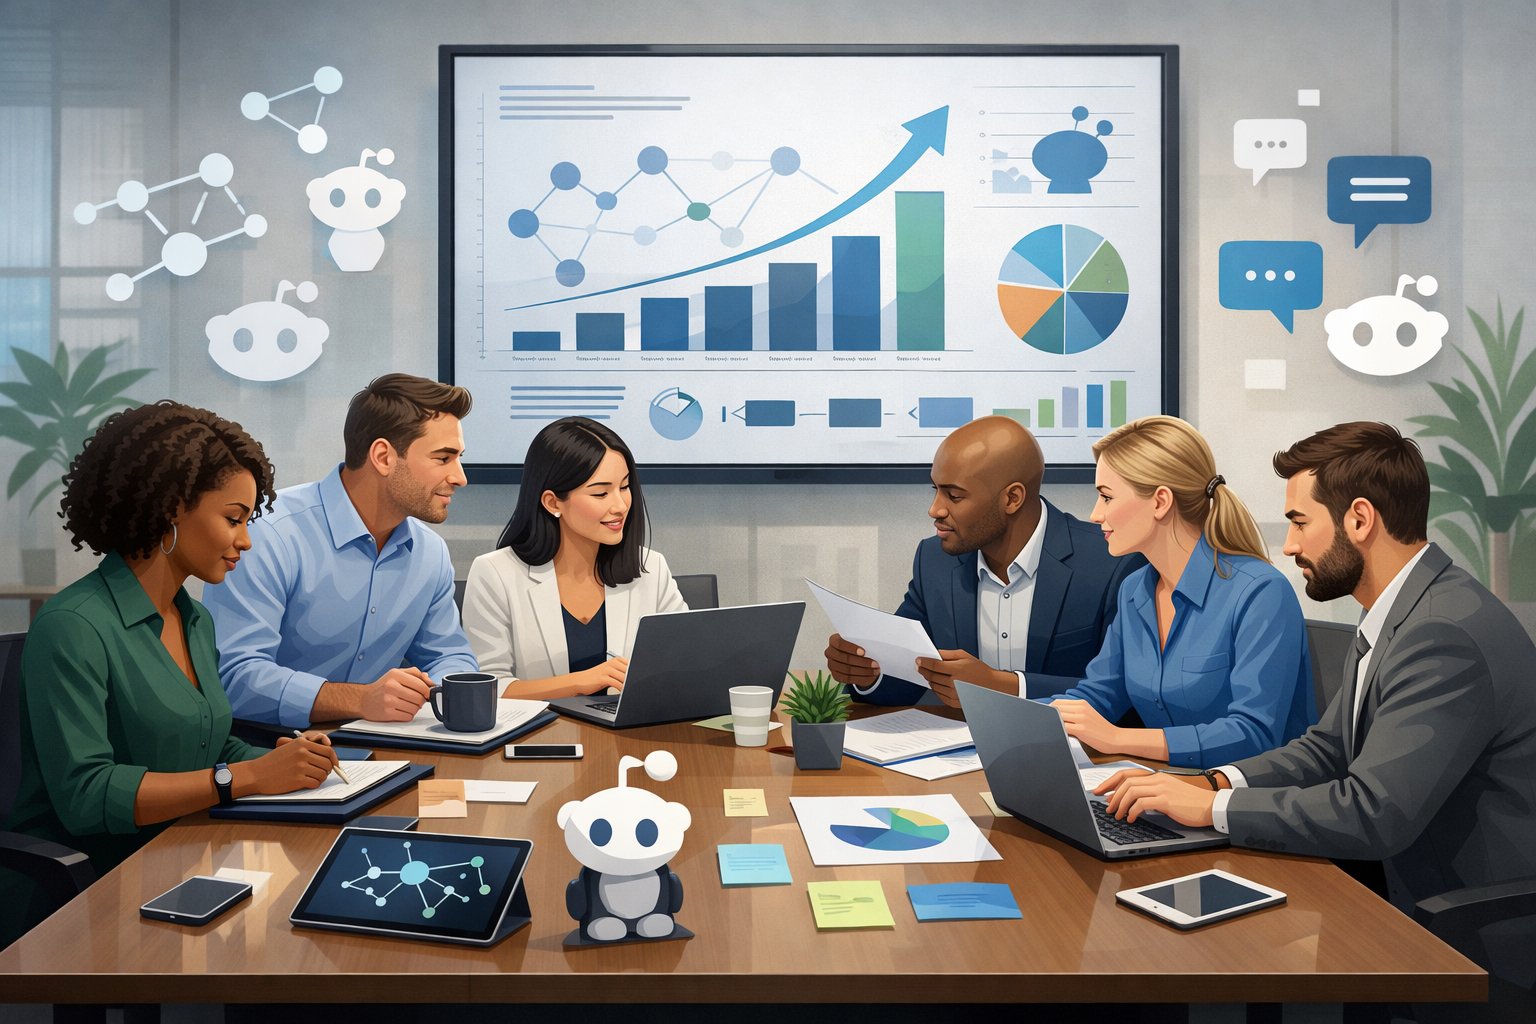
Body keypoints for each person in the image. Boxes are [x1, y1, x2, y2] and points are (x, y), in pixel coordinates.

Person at [1098, 421, 1536, 921]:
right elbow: (1328, 749)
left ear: (1360, 520)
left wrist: (1212, 810)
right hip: (1397, 887)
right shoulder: (1403, 609)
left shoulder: (1441, 634)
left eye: (1300, 522)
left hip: (1466, 926)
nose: (1288, 546)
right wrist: (1214, 784)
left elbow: (1374, 812)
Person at [2, 402, 340, 948]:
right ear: (170, 509)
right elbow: (87, 794)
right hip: (87, 891)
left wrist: (290, 763)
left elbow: (208, 740)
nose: (246, 540)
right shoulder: (72, 626)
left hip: (184, 855)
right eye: (234, 519)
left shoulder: (194, 617)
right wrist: (244, 779)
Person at [203, 374, 478, 727]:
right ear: (383, 456)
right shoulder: (266, 535)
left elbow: (450, 658)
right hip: (270, 758)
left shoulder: (431, 553)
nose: (460, 477)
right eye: (444, 458)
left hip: (390, 752)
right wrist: (360, 700)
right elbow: (235, 676)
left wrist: (434, 689)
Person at [1043, 415, 1315, 768]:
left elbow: (1253, 733)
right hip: (1163, 790)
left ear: (1160, 501)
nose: (1095, 515)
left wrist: (1119, 738)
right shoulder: (1134, 591)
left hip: (1243, 806)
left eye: (1106, 497)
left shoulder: (1261, 593)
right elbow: (1098, 695)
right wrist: (1019, 720)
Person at [826, 415, 1143, 708]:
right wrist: (868, 672)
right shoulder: (933, 561)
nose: (934, 509)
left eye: (954, 495)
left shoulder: (1112, 562)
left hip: (1077, 759)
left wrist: (1002, 686)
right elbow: (911, 674)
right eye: (935, 490)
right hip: (955, 760)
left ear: (1012, 499)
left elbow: (1133, 694)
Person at [462, 417, 685, 699]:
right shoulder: (494, 573)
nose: (620, 505)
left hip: (629, 738)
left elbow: (683, 666)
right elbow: (486, 687)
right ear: (553, 502)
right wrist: (581, 682)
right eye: (601, 493)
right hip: (540, 739)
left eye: (625, 487)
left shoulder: (652, 568)